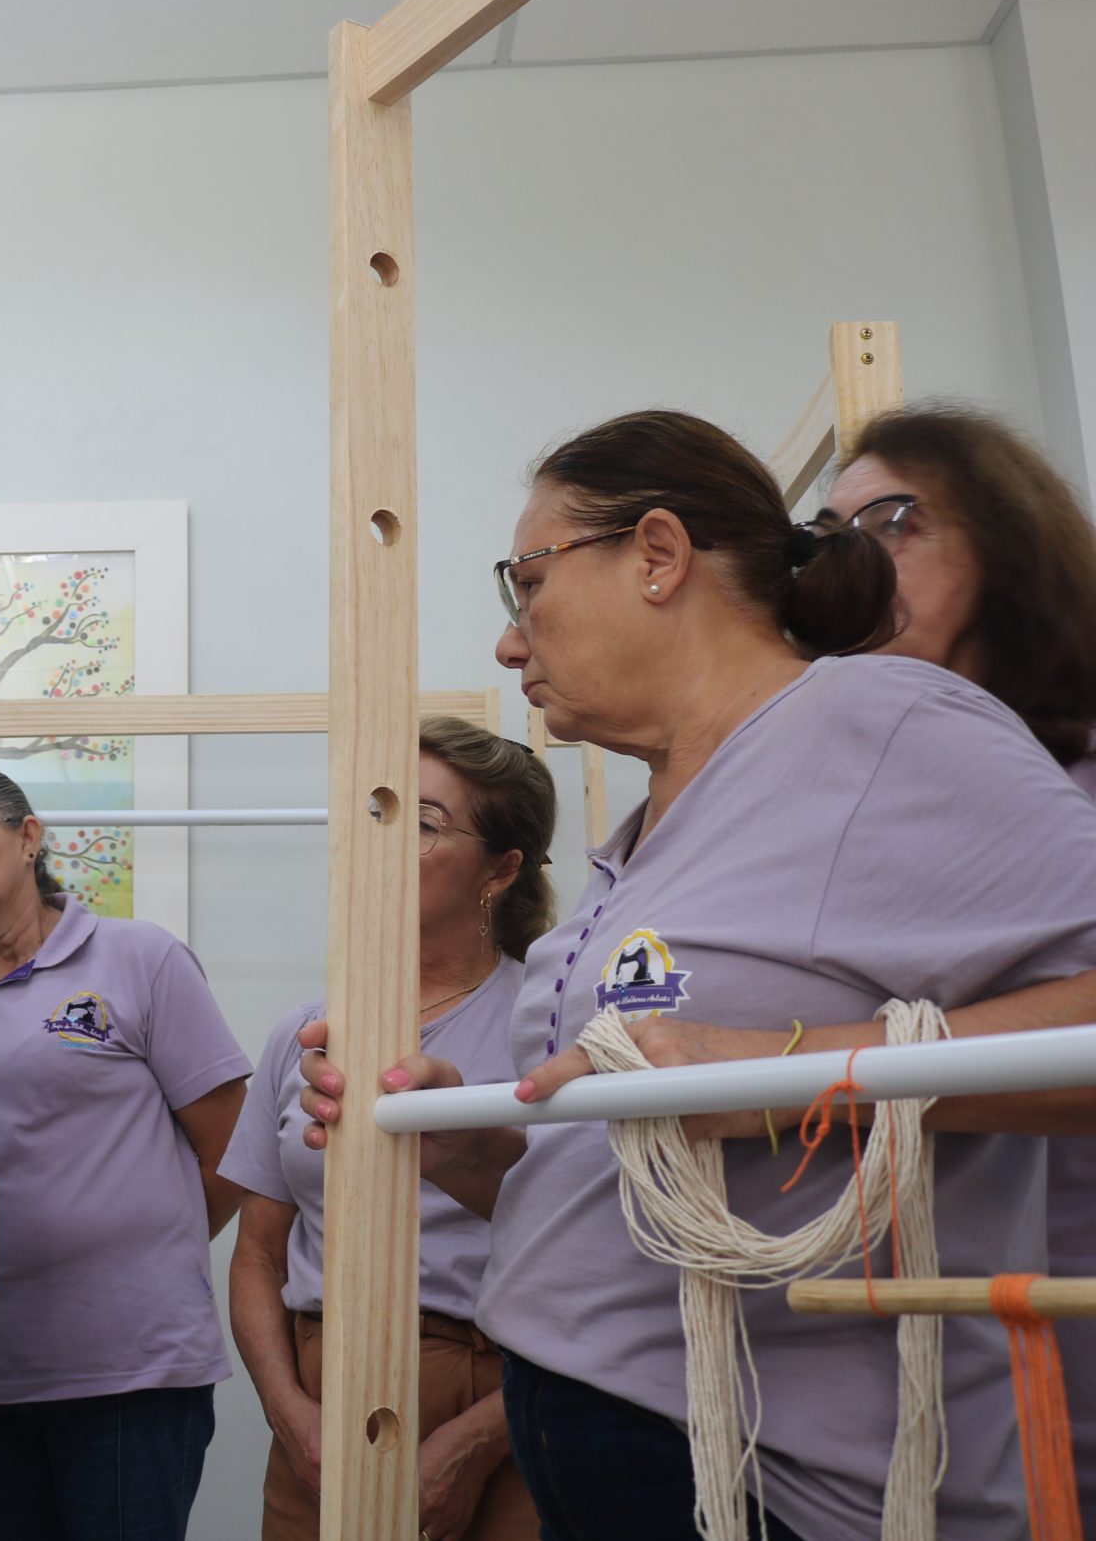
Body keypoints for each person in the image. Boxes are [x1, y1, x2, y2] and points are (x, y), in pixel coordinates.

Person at [295, 409, 1096, 1539]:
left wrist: (785, 1070)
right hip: (612, 1438)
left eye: (526, 585)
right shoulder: (649, 826)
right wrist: (477, 1152)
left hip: (785, 1480)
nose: (510, 645)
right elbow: (662, 1148)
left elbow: (746, 1082)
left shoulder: (884, 723)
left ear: (658, 556)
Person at [822, 405, 1096, 1520]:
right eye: (824, 539)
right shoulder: (858, 801)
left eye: (889, 523)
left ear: (1004, 537)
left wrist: (785, 1068)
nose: (850, 564)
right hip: (917, 1368)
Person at [224, 717, 553, 1541]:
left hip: (502, 1397)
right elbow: (260, 1252)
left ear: (501, 870)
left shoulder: (547, 1028)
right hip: (319, 1399)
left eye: (426, 822)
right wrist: (289, 1412)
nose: (385, 841)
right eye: (378, 813)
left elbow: (601, 1262)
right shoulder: (307, 1032)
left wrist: (478, 1441)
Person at [0, 763, 249, 1541]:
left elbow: (232, 1149)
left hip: (132, 1370)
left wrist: (141, 1250)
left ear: (27, 838)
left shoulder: (139, 958)